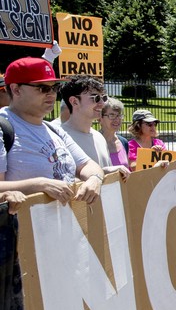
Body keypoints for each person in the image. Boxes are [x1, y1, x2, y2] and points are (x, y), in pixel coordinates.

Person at [0, 57, 104, 206]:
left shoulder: (54, 130)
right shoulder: (3, 129)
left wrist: (95, 179)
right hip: (24, 227)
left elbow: (88, 165)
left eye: (54, 87)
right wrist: (40, 184)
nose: (52, 94)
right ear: (16, 89)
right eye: (43, 88)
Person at [60, 76, 130, 180]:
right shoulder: (59, 138)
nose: (102, 104)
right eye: (95, 98)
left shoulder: (99, 137)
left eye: (104, 98)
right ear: (74, 101)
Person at [99, 98, 130, 170]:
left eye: (119, 115)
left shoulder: (123, 142)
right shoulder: (93, 142)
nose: (117, 119)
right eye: (112, 115)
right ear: (100, 119)